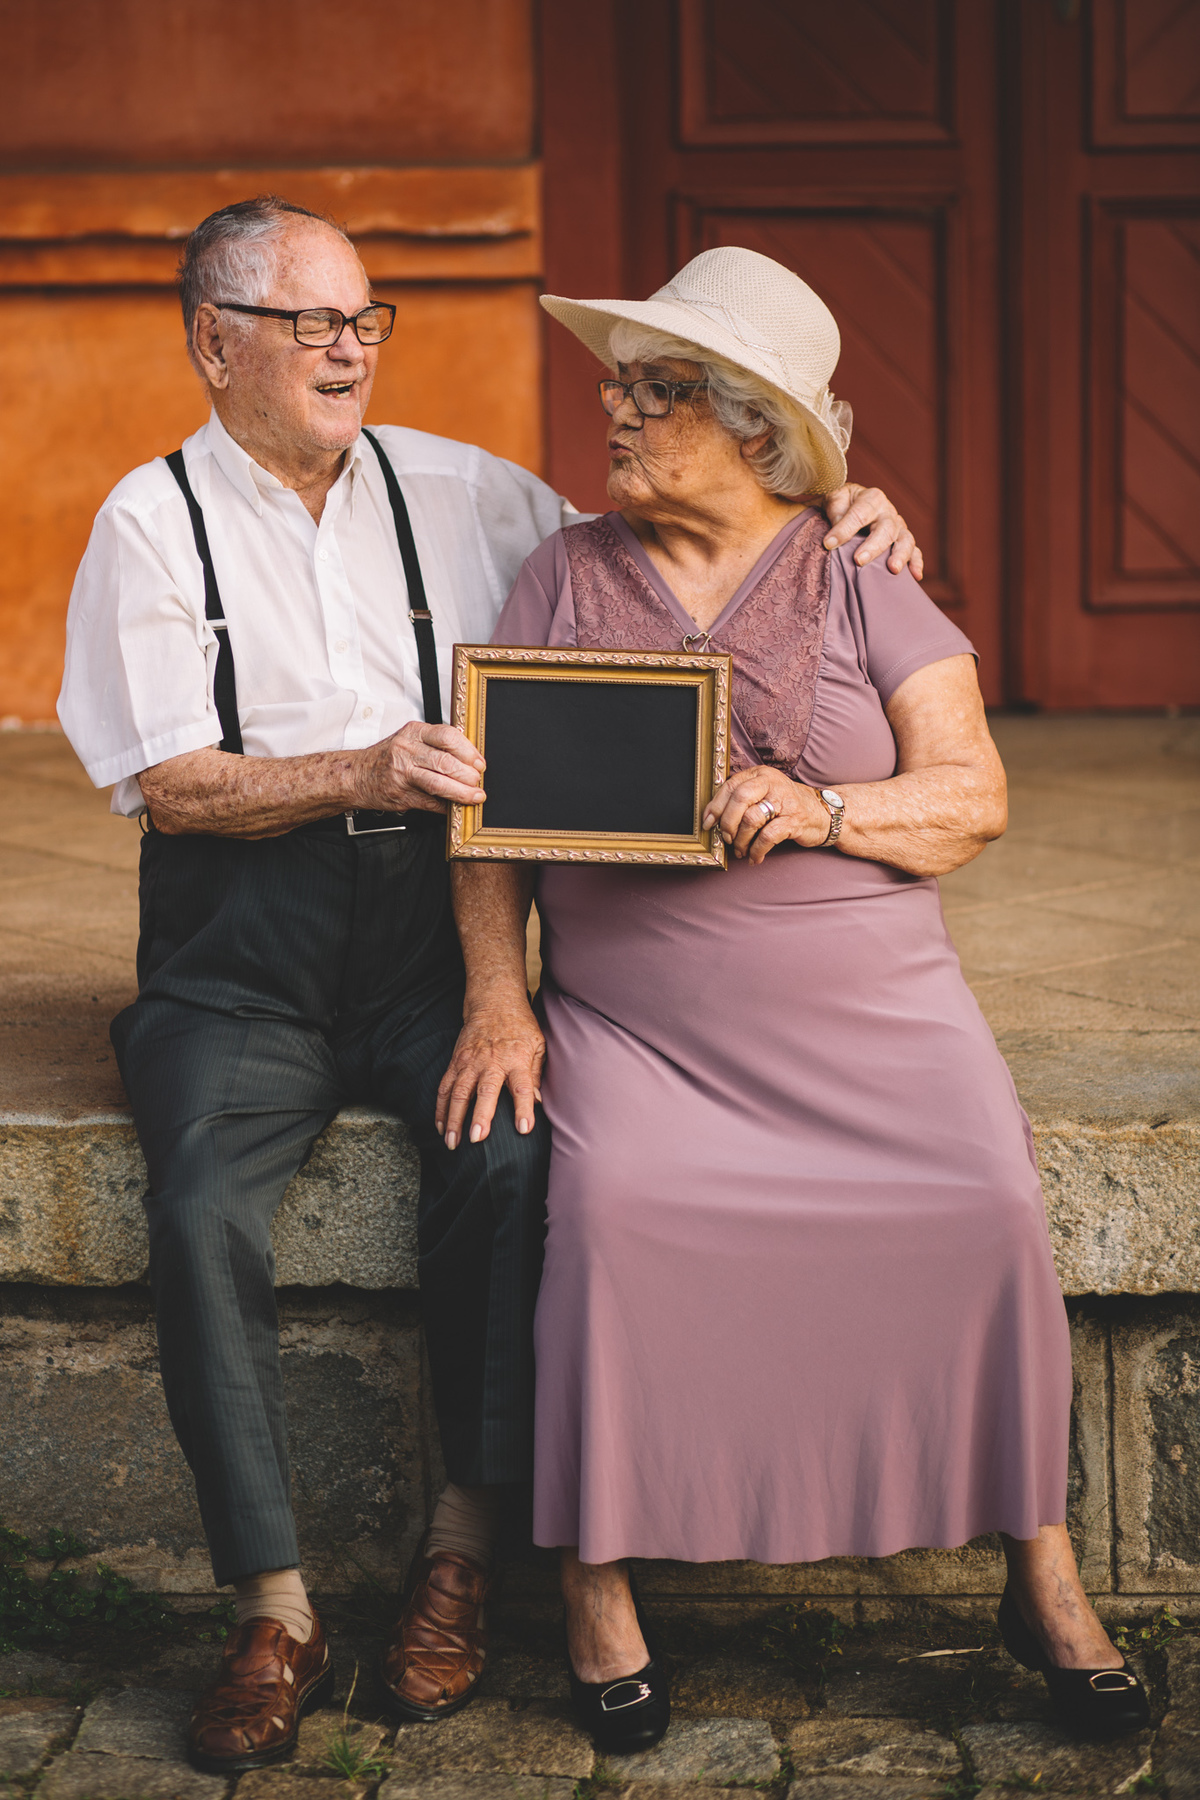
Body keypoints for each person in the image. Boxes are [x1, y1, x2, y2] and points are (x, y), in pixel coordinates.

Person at [56, 202, 918, 1775]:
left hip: (422, 938)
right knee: (192, 1206)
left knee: (513, 1157)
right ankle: (274, 1608)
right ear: (212, 342)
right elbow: (170, 783)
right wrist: (365, 764)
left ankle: (458, 1555)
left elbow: (694, 512)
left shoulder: (467, 493)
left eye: (364, 320)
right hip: (234, 953)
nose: (348, 348)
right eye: (309, 322)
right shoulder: (148, 522)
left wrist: (849, 511)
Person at [439, 246, 1152, 1750]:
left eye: (658, 389)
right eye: (614, 383)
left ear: (757, 426)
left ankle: (1041, 1570)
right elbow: (484, 820)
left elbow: (973, 797)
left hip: (873, 1026)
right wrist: (502, 1005)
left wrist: (826, 811)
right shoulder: (565, 572)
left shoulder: (862, 570)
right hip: (646, 1030)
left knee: (985, 1198)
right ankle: (597, 1582)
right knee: (617, 1214)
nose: (616, 412)